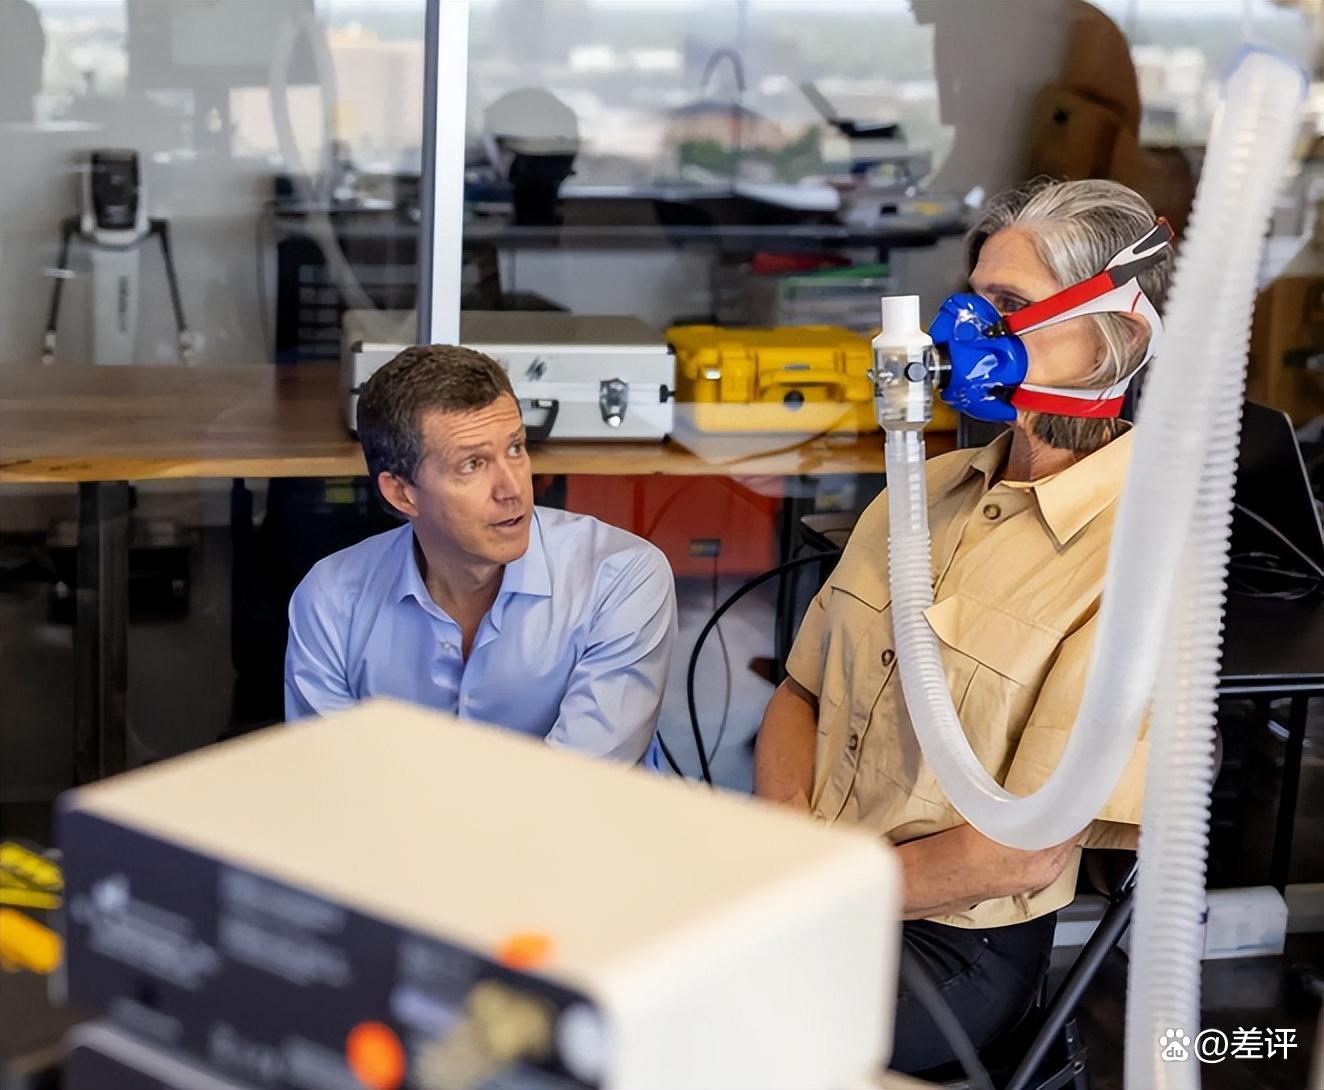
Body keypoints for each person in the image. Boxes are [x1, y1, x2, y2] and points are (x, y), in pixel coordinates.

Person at [753, 178, 1174, 1074]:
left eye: (1008, 305)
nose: (963, 329)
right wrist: (786, 853)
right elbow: (800, 690)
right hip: (804, 884)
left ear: (1118, 335)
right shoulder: (922, 494)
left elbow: (1022, 854)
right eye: (973, 297)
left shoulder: (1138, 562)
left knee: (721, 1032)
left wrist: (827, 894)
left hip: (953, 942)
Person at [285, 344, 677, 763]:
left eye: (516, 448)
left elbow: (579, 783)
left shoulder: (620, 578)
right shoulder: (331, 599)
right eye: (473, 464)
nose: (513, 489)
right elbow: (332, 776)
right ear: (401, 493)